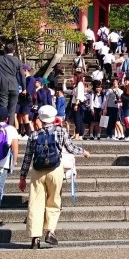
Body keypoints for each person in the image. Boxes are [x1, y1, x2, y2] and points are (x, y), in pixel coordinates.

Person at [19, 105, 90, 249]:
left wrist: (22, 177)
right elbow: (70, 148)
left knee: (35, 203)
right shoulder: (61, 131)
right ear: (54, 117)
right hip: (55, 169)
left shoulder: (33, 135)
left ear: (40, 118)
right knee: (54, 201)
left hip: (37, 171)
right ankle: (50, 231)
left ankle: (35, 238)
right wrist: (83, 151)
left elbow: (27, 157)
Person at [0, 43, 26, 126]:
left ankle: (1, 126)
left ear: (4, 50)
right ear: (14, 51)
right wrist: (24, 88)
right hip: (14, 84)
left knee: (2, 106)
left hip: (2, 84)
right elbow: (22, 75)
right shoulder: (18, 61)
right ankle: (10, 127)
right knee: (12, 109)